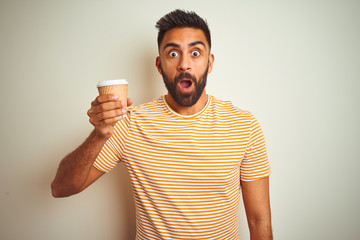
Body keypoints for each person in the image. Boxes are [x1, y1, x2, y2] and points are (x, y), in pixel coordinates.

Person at [51, 9, 272, 240]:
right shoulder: (129, 124)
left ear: (210, 62)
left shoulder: (243, 125)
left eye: (195, 53)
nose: (184, 64)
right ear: (159, 65)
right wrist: (98, 135)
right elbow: (61, 188)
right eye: (173, 53)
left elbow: (259, 221)